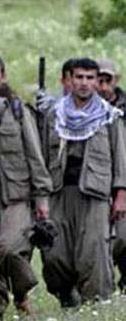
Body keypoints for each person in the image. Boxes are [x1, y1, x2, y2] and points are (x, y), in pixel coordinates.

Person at [0, 54, 52, 321]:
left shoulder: (17, 110)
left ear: (3, 76)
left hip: (16, 196)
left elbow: (34, 154)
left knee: (10, 249)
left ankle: (21, 291)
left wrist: (41, 198)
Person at [41, 57, 126, 307]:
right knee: (55, 253)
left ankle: (97, 304)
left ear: (96, 81)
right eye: (79, 77)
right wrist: (40, 197)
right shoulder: (54, 115)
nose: (84, 83)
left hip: (95, 193)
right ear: (70, 79)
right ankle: (66, 294)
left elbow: (120, 158)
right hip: (59, 192)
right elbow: (42, 155)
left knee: (93, 251)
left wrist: (121, 195)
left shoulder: (109, 116)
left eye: (90, 78)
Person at [100, 59, 126, 291]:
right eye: (99, 80)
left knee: (123, 238)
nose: (103, 86)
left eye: (108, 80)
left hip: (122, 180)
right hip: (98, 181)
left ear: (116, 80)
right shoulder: (86, 110)